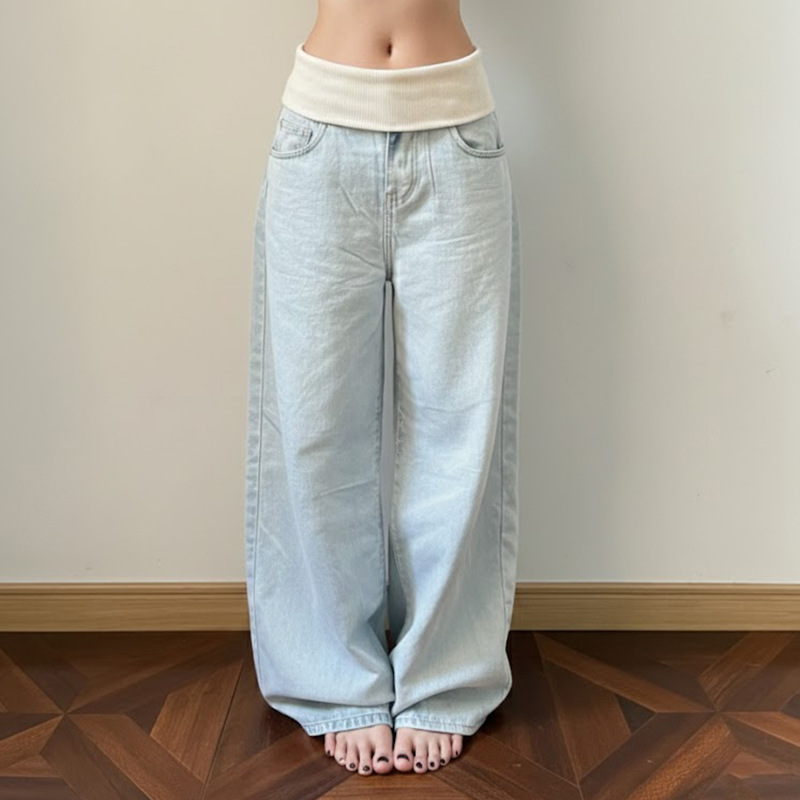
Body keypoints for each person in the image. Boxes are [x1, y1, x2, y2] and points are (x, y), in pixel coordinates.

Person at [243, 0, 521, 778]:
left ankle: (444, 674)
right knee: (313, 427)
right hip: (319, 137)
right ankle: (334, 677)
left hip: (456, 134)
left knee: (458, 427)